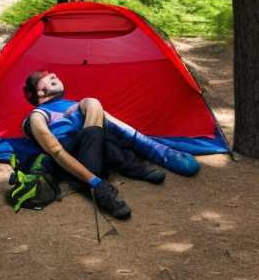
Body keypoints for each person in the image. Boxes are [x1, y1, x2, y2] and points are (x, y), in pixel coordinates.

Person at [21, 70, 201, 223]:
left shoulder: (79, 104)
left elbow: (117, 127)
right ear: (40, 93)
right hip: (70, 160)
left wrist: (86, 109)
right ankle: (100, 185)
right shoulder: (38, 114)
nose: (53, 74)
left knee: (94, 107)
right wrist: (96, 182)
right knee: (94, 112)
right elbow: (55, 150)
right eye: (45, 76)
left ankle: (142, 159)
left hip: (93, 147)